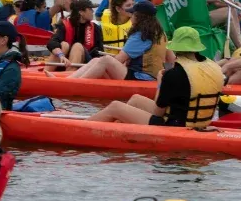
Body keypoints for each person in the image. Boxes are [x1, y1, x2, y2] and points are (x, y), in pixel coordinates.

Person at [89, 27, 223, 128]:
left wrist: (160, 83)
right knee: (136, 100)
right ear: (196, 48)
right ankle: (118, 130)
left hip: (174, 125)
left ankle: (83, 126)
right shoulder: (213, 67)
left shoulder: (174, 74)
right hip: (198, 121)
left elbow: (157, 113)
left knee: (115, 107)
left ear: (176, 48)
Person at [57, 1, 169, 81]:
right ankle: (69, 79)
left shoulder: (141, 35)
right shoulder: (160, 33)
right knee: (97, 60)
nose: (131, 17)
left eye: (133, 14)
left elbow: (119, 60)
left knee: (105, 60)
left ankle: (75, 83)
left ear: (139, 17)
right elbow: (171, 58)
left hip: (141, 77)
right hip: (151, 75)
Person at [48, 0, 103, 65]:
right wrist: (61, 55)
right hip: (65, 60)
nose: (92, 11)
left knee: (77, 46)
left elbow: (100, 51)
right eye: (90, 9)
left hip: (86, 63)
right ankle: (46, 71)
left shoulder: (95, 28)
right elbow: (52, 42)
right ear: (81, 12)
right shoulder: (64, 25)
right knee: (64, 45)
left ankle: (69, 73)